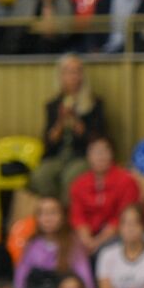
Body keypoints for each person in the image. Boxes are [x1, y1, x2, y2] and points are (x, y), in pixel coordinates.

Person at [29, 54, 106, 200]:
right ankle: (52, 212)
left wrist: (76, 121)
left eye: (77, 71)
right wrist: (60, 121)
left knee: (70, 176)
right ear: (60, 76)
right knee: (40, 175)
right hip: (58, 156)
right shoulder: (53, 105)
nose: (73, 76)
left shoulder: (95, 103)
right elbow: (48, 142)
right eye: (68, 72)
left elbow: (97, 139)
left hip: (82, 156)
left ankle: (68, 215)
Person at [16, 197, 95, 288]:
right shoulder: (32, 244)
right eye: (43, 213)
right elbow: (21, 277)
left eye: (53, 213)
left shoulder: (73, 244)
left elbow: (84, 276)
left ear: (62, 217)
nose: (48, 218)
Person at [68, 137, 141, 256]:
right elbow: (78, 217)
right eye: (95, 152)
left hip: (117, 234)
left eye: (104, 151)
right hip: (86, 236)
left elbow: (123, 216)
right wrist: (87, 240)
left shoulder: (126, 181)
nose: (100, 156)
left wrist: (98, 242)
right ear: (88, 156)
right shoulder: (79, 184)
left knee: (106, 250)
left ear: (112, 154)